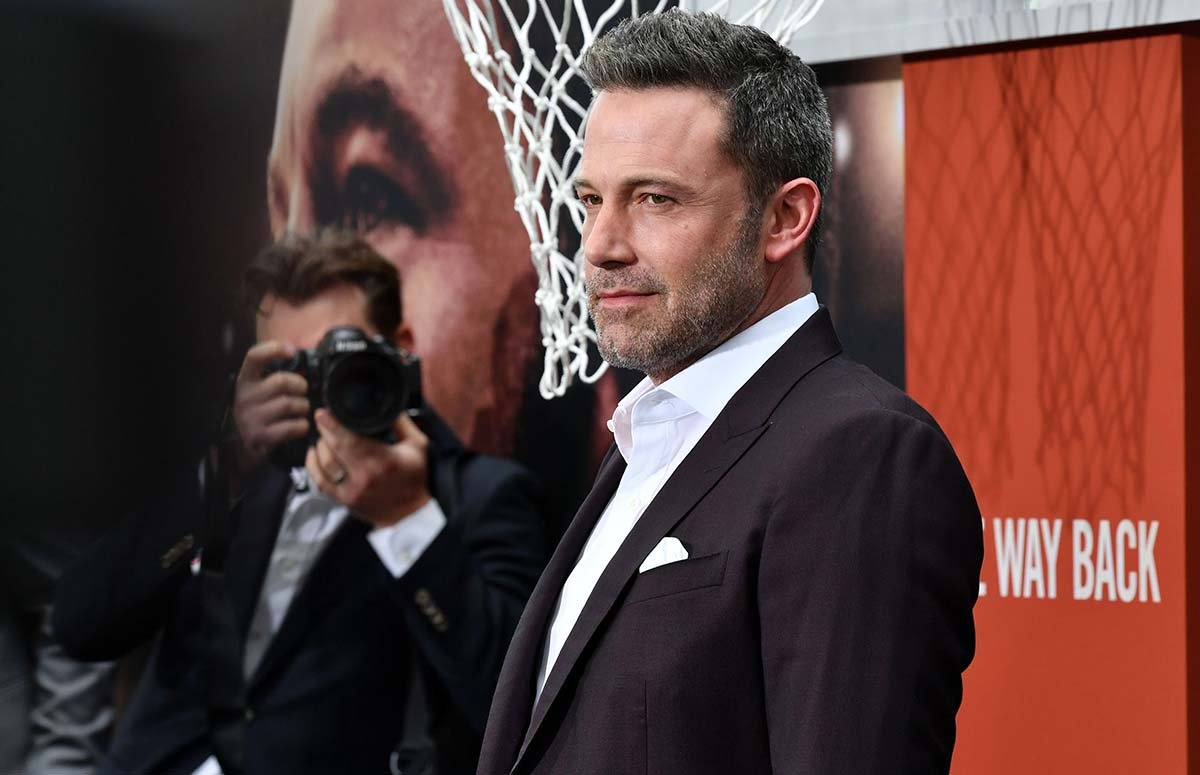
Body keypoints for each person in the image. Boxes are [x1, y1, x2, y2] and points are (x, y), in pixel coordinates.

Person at [477, 11, 983, 775]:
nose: (604, 244)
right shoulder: (650, 435)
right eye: (590, 200)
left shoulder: (861, 452)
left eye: (654, 199)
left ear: (785, 217)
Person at [52, 232, 546, 775]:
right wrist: (226, 471)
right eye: (297, 370)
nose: (321, 390)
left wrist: (405, 520)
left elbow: (516, 708)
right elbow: (81, 627)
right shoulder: (238, 477)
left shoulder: (474, 496)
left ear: (399, 348)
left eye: (339, 359)